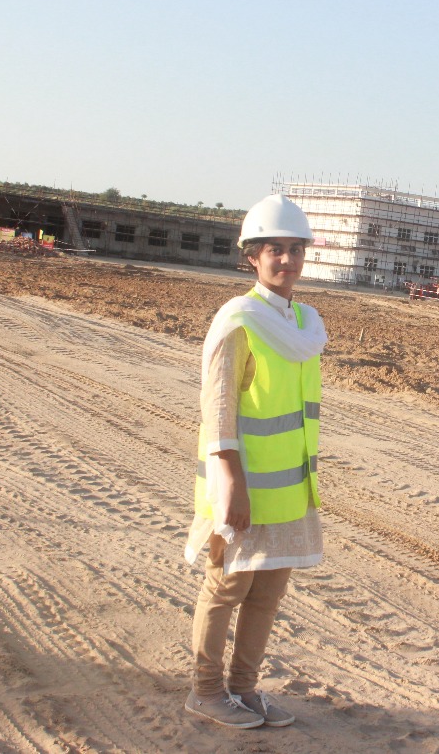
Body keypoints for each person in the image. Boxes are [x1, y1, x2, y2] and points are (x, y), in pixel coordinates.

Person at [184, 194, 327, 730]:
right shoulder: (239, 321)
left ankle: (243, 689)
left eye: (295, 250)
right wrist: (231, 484)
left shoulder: (304, 325)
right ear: (252, 256)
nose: (287, 261)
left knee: (267, 594)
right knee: (225, 589)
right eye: (275, 250)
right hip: (241, 487)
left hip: (289, 488)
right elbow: (218, 411)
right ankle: (205, 690)